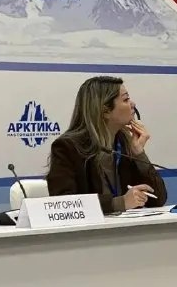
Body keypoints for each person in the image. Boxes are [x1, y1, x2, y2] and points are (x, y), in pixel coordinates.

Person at [47, 75, 167, 213]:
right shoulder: (67, 147)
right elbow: (64, 204)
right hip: (91, 227)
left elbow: (158, 199)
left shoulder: (123, 143)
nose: (133, 104)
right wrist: (118, 203)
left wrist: (139, 154)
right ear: (105, 111)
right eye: (126, 99)